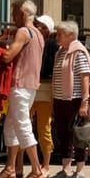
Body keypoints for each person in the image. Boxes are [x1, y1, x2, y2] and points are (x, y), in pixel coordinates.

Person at [0, 0, 46, 178]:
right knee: (11, 126)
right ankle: (10, 168)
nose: (13, 19)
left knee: (22, 126)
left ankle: (36, 170)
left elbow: (8, 56)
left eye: (14, 15)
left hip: (20, 84)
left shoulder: (23, 32)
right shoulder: (39, 34)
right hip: (30, 85)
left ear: (22, 14)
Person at [50, 19, 90, 178]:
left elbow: (85, 77)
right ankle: (66, 169)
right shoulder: (60, 52)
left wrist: (84, 102)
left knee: (78, 135)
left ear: (70, 35)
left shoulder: (78, 52)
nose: (57, 37)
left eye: (60, 34)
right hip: (60, 99)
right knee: (63, 135)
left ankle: (80, 171)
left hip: (74, 100)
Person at [32, 13, 57, 167]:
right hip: (33, 87)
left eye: (41, 26)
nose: (38, 28)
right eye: (37, 25)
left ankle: (46, 165)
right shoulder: (33, 40)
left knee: (43, 128)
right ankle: (21, 163)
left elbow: (54, 70)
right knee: (25, 127)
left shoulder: (52, 44)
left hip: (44, 88)